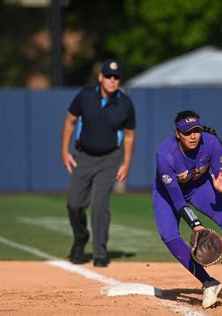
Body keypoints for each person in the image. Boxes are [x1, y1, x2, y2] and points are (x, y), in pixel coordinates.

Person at [152, 110, 222, 309]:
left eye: (196, 130)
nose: (193, 136)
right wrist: (196, 225)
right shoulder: (165, 155)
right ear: (177, 134)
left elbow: (219, 175)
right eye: (187, 132)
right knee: (168, 234)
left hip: (199, 187)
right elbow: (177, 200)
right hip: (168, 194)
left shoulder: (212, 143)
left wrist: (221, 187)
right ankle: (208, 282)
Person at [60, 59, 136, 267]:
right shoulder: (85, 95)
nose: (112, 80)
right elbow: (70, 121)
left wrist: (126, 163)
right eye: (109, 76)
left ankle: (100, 252)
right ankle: (80, 237)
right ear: (100, 77)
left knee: (100, 204)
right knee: (74, 204)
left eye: (116, 77)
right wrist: (64, 152)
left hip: (109, 159)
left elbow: (129, 135)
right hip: (83, 156)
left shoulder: (125, 103)